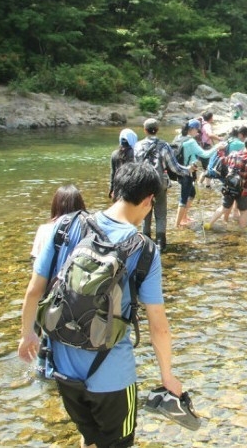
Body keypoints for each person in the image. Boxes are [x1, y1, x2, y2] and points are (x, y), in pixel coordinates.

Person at [18, 163, 185, 448]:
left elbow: (34, 290)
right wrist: (167, 376)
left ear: (113, 192)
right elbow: (158, 326)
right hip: (111, 376)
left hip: (64, 368)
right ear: (148, 201)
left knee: (89, 435)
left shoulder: (66, 225)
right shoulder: (144, 249)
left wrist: (27, 334)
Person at [134, 118, 194, 251]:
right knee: (161, 214)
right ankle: (161, 244)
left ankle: (146, 245)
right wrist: (188, 170)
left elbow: (135, 167)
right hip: (160, 182)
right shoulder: (164, 146)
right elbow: (175, 168)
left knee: (145, 214)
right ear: (158, 130)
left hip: (144, 182)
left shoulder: (137, 146)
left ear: (145, 130)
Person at [205, 136, 247, 230]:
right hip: (243, 189)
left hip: (229, 186)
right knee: (243, 211)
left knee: (224, 207)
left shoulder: (233, 154)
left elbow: (224, 160)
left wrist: (220, 152)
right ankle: (242, 231)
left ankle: (209, 224)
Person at [174, 118, 221, 228]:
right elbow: (205, 154)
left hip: (179, 171)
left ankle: (184, 217)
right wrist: (217, 147)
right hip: (187, 173)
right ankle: (177, 224)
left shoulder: (179, 137)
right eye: (197, 130)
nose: (198, 133)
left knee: (192, 193)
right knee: (184, 198)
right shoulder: (190, 141)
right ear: (192, 129)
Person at [30, 184, 87, 260]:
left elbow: (35, 259)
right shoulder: (86, 229)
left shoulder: (44, 230)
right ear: (80, 205)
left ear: (55, 206)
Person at [109, 129, 137, 200]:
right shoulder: (135, 153)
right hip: (132, 188)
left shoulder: (114, 154)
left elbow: (113, 173)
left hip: (118, 187)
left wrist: (111, 189)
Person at [198, 111, 223, 188]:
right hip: (206, 147)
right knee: (209, 167)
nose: (213, 118)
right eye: (212, 117)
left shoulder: (202, 124)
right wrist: (219, 138)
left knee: (206, 168)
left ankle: (200, 184)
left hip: (202, 146)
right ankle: (206, 186)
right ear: (210, 118)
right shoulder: (207, 125)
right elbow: (210, 134)